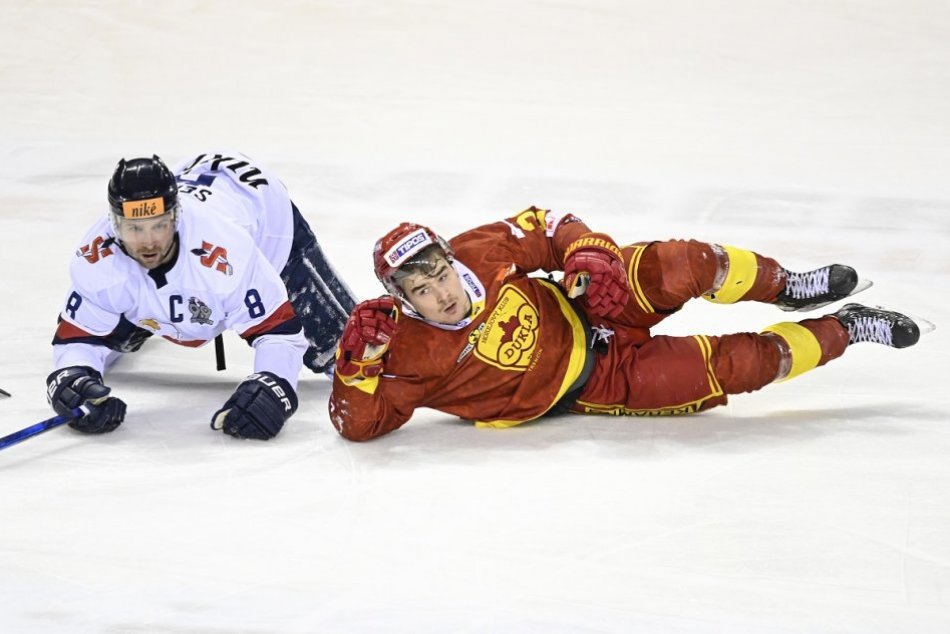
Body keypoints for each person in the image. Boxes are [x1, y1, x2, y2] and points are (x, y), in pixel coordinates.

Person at [328, 206, 926, 441]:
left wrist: (589, 253)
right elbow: (358, 425)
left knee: (687, 262)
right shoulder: (400, 347)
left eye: (440, 274)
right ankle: (848, 327)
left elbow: (551, 224)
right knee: (740, 366)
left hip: (590, 305)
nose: (441, 295)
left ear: (451, 258)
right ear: (400, 296)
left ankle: (789, 286)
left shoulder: (478, 248)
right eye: (421, 290)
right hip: (599, 382)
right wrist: (354, 366)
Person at [47, 151, 356, 440]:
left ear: (176, 216)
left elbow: (279, 333)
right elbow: (79, 338)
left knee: (354, 355)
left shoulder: (227, 252)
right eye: (134, 229)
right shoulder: (98, 259)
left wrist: (274, 383)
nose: (149, 243)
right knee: (114, 323)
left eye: (160, 225)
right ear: (115, 225)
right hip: (200, 210)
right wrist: (73, 377)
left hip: (261, 213)